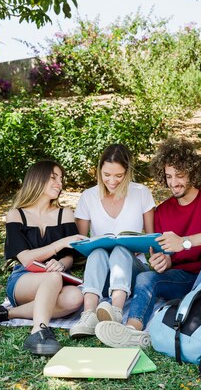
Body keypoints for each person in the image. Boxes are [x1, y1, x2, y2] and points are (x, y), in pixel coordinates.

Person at [94, 137, 201, 348]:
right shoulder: (162, 211)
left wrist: (185, 242)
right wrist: (165, 261)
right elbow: (168, 255)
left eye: (180, 175)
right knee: (145, 277)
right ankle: (132, 330)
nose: (173, 182)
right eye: (169, 176)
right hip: (186, 279)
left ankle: (186, 313)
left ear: (193, 173)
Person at [0, 159, 86, 356]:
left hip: (57, 278)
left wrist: (61, 263)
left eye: (61, 178)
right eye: (53, 178)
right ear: (37, 180)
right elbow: (26, 258)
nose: (60, 183)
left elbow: (69, 256)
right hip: (24, 279)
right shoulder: (16, 215)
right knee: (53, 277)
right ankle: (39, 331)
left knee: (75, 297)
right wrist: (59, 244)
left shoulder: (64, 213)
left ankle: (6, 313)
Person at [68, 144, 155, 338]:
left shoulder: (141, 193)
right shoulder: (88, 196)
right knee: (98, 251)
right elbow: (82, 246)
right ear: (99, 170)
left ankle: (115, 312)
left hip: (133, 270)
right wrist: (92, 244)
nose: (112, 181)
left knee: (120, 250)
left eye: (119, 175)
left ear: (128, 172)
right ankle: (88, 315)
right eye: (107, 174)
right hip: (100, 273)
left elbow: (151, 239)